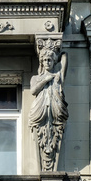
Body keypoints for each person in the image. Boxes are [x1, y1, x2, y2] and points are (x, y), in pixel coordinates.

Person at [29, 42, 68, 171]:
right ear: (41, 62)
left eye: (50, 60)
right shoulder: (35, 78)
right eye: (45, 60)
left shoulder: (58, 76)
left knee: (54, 132)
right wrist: (46, 79)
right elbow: (33, 90)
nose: (47, 62)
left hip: (55, 110)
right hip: (40, 110)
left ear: (53, 61)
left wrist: (62, 53)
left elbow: (64, 61)